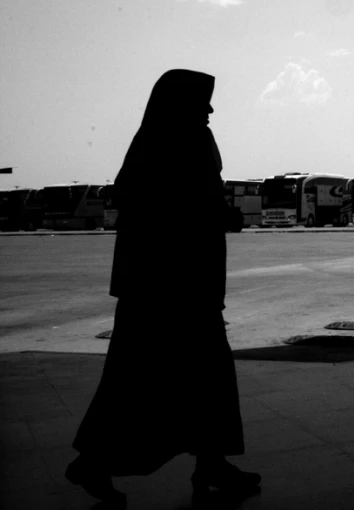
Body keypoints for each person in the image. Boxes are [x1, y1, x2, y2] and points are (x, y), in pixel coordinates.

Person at [65, 69, 261, 504]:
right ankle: (96, 462)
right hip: (167, 290)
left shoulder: (178, 138)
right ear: (180, 104)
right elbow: (163, 209)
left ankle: (209, 463)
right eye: (202, 101)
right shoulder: (168, 142)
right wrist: (215, 217)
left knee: (190, 379)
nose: (210, 109)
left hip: (183, 286)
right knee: (146, 382)